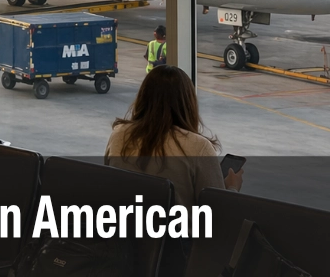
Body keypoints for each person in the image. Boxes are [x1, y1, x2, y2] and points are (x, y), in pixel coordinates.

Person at [104, 65, 243, 208]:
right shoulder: (198, 147)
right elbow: (217, 214)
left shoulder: (119, 135)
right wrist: (232, 188)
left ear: (143, 98)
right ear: (188, 104)